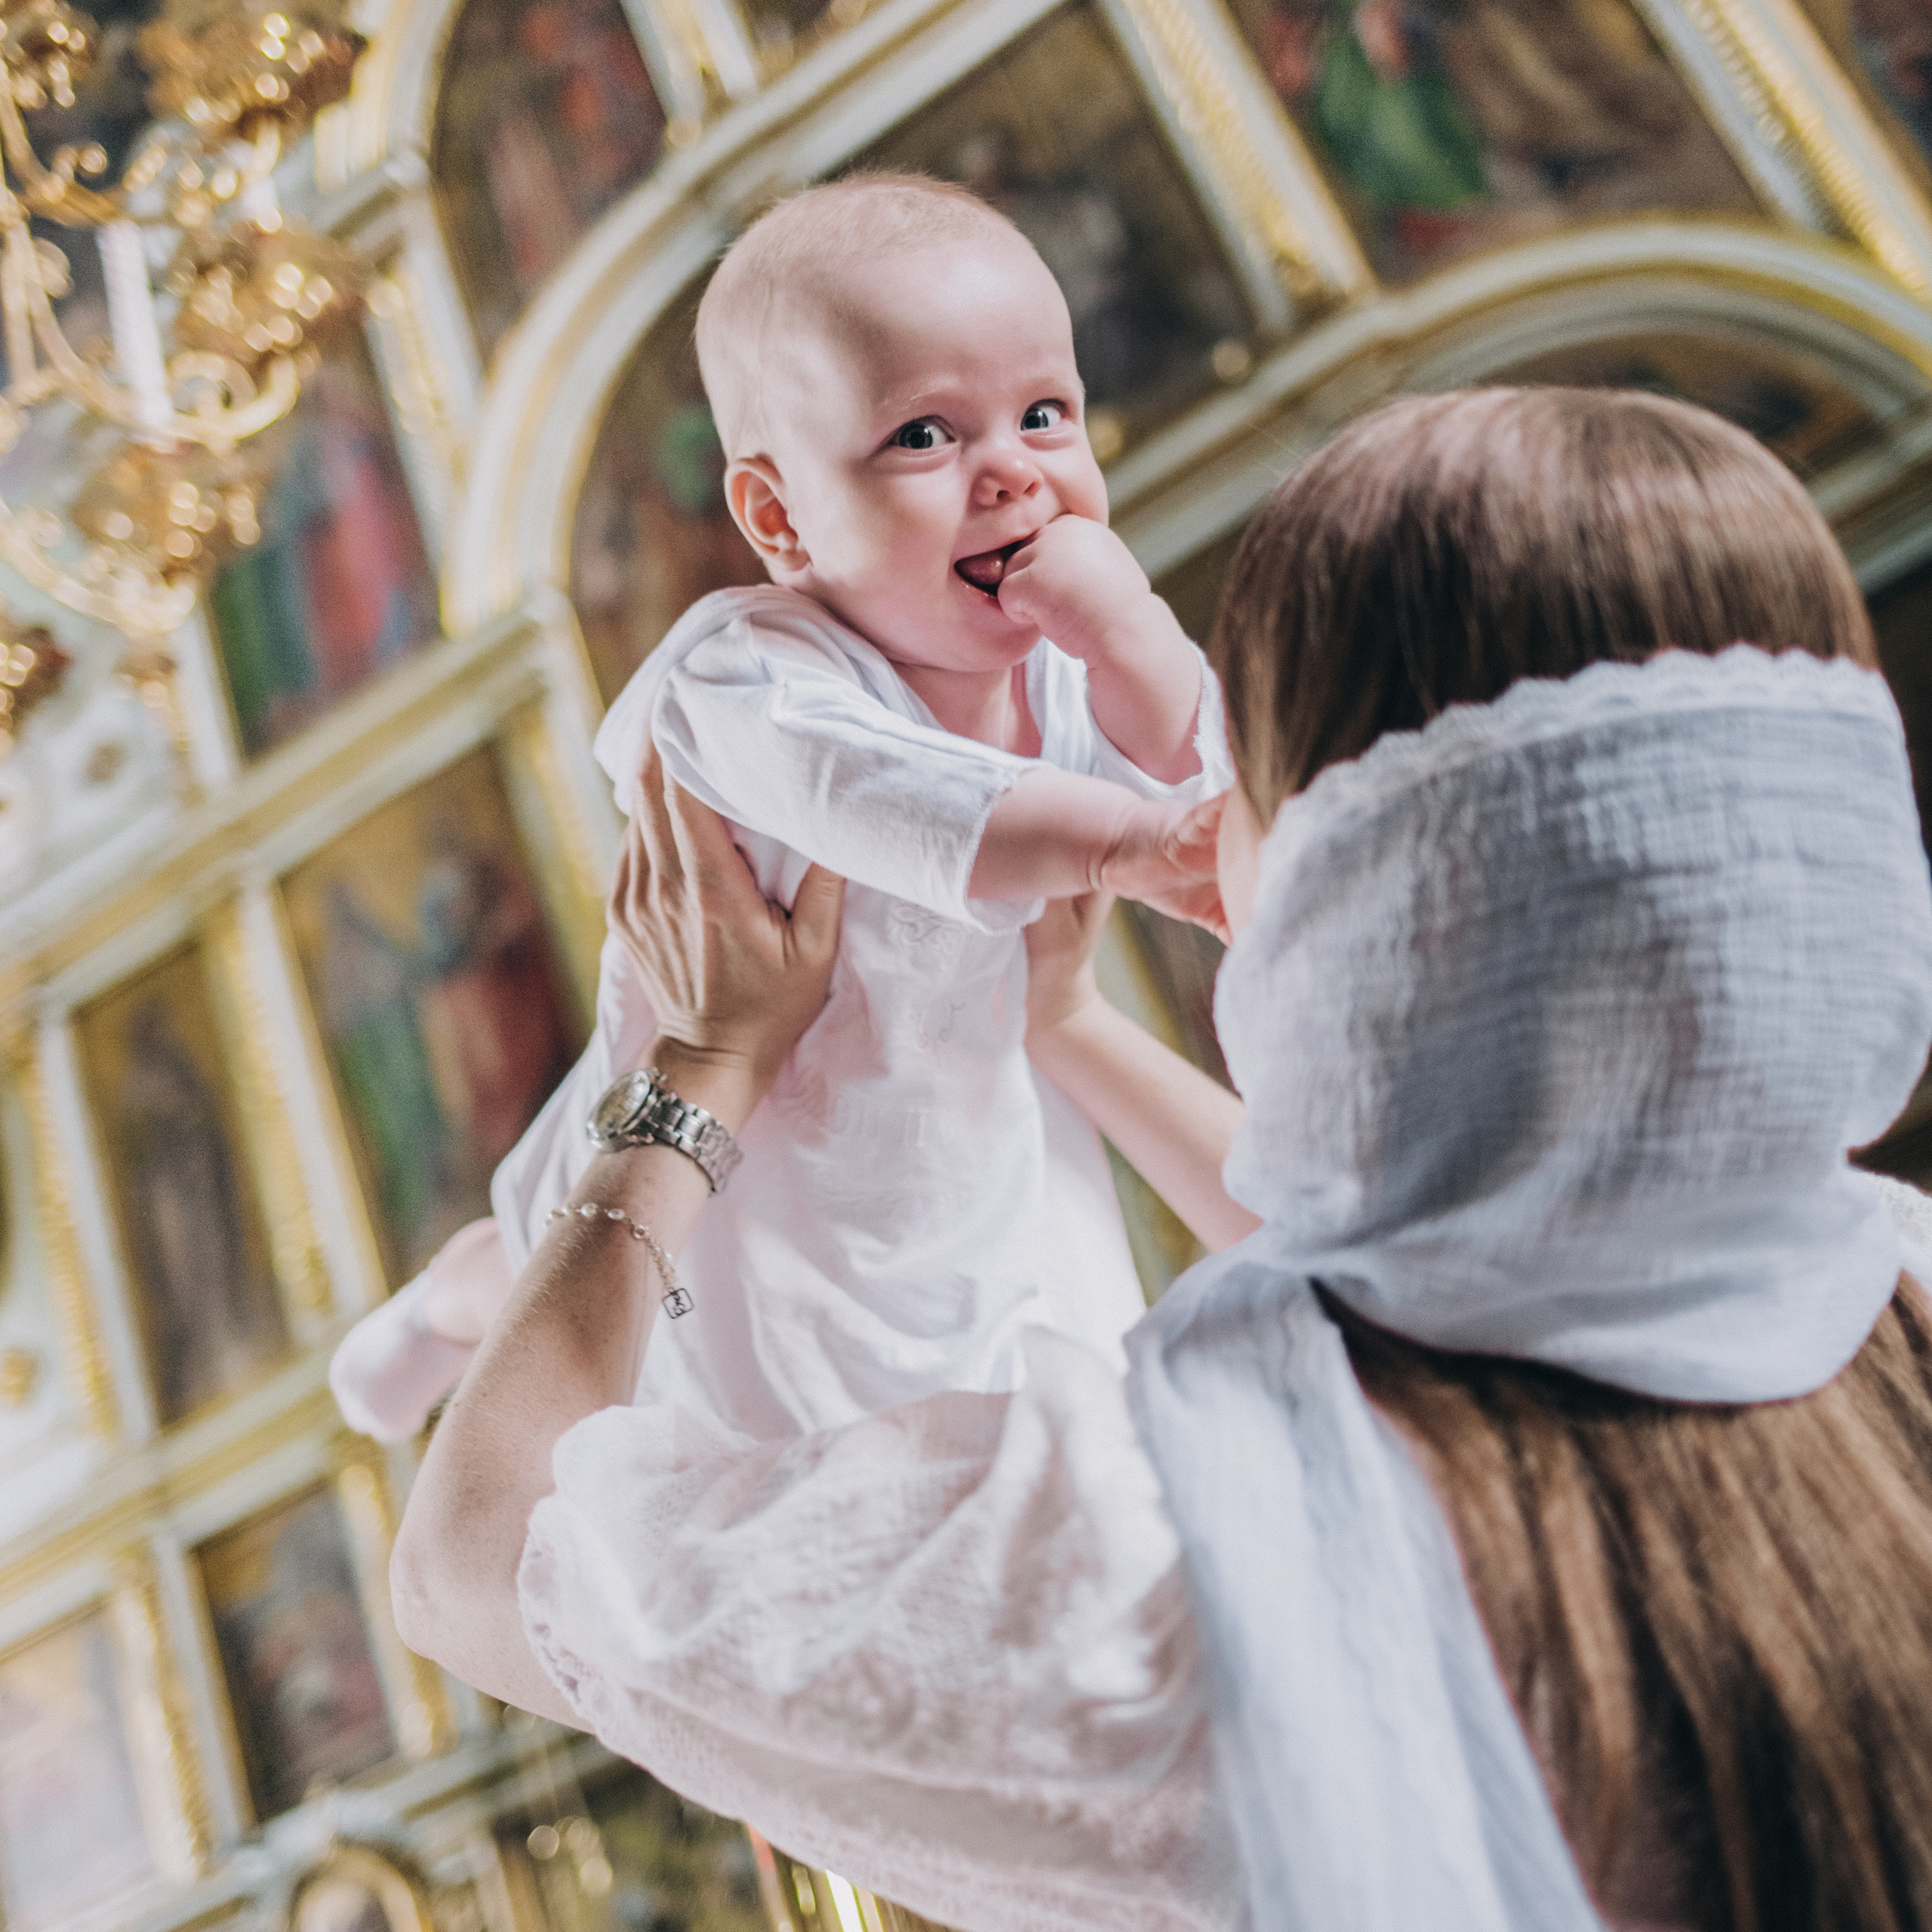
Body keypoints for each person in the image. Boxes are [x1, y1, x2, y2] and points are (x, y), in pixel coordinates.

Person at [393, 386, 1932, 1932]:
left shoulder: (1159, 1547)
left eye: (1233, 766)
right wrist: (1061, 1023)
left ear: (1359, 882)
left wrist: (702, 1066)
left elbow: (478, 1559)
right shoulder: (1894, 1283)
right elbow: (1448, 1258)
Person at [332, 172, 1228, 1446]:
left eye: (1045, 415)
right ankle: (456, 1301)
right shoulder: (748, 672)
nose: (1011, 472)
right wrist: (1137, 844)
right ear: (778, 516)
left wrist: (1132, 631)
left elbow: (1196, 767)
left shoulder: (1063, 659)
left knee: (987, 1351)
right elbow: (895, 803)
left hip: (942, 1117)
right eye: (926, 436)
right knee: (622, 1316)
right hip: (737, 1130)